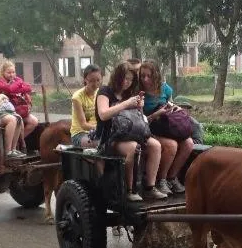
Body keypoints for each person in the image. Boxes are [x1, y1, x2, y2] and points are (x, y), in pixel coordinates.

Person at [96, 60, 165, 201]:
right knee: (133, 147)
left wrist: (139, 106)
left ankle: (149, 187)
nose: (127, 82)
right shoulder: (105, 91)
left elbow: (137, 118)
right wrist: (126, 104)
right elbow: (103, 114)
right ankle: (129, 190)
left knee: (156, 146)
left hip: (132, 133)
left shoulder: (130, 94)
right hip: (111, 137)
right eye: (125, 78)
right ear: (117, 76)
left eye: (131, 79)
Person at [139, 59, 194, 195]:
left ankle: (172, 177)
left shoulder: (166, 89)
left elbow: (171, 103)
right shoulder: (138, 92)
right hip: (148, 128)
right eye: (142, 76)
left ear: (156, 75)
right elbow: (139, 119)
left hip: (166, 127)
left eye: (149, 76)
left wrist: (173, 108)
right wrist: (155, 115)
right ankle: (161, 180)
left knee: (189, 143)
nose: (145, 79)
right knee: (171, 145)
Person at [0, 59, 38, 139]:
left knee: (34, 121)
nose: (11, 75)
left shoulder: (16, 80)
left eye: (13, 72)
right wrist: (19, 83)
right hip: (6, 110)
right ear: (3, 72)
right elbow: (10, 89)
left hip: (19, 109)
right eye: (9, 73)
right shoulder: (0, 81)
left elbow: (28, 87)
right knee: (18, 122)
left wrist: (17, 87)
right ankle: (13, 143)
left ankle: (19, 140)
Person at [70, 64, 102, 148]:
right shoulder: (77, 97)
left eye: (98, 80)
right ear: (85, 80)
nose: (95, 84)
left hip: (97, 131)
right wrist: (102, 128)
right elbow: (83, 125)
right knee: (101, 143)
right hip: (80, 133)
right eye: (91, 81)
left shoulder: (101, 93)